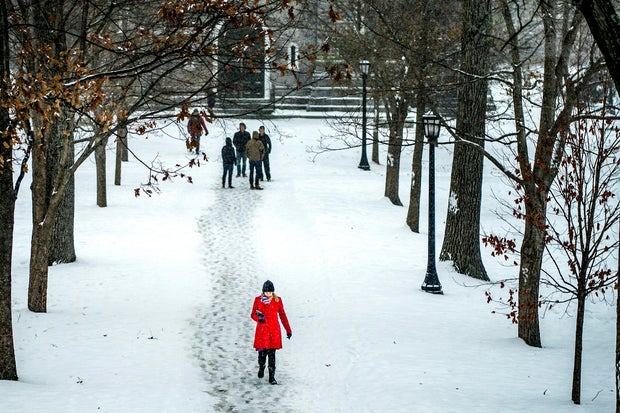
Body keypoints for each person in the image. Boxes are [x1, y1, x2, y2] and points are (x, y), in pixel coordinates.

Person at [251, 280, 292, 385]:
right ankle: (261, 367)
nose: (269, 294)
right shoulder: (257, 300)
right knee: (262, 354)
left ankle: (272, 377)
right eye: (267, 292)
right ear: (263, 292)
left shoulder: (278, 301)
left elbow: (282, 315)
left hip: (274, 332)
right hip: (262, 332)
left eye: (270, 292)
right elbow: (253, 314)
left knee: (272, 355)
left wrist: (288, 330)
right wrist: (259, 318)